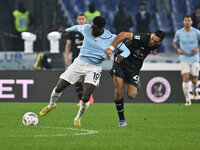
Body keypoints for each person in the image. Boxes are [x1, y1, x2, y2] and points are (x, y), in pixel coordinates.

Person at [39, 16, 130, 126]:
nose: (92, 30)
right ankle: (51, 105)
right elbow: (77, 27)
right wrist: (66, 30)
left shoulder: (112, 38)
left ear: (101, 28)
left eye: (95, 29)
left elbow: (127, 51)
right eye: (92, 27)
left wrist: (121, 56)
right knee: (59, 87)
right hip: (79, 63)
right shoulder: (87, 28)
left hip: (94, 68)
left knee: (86, 96)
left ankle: (78, 118)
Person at [104, 29, 165, 126]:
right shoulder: (142, 37)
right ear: (152, 35)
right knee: (119, 90)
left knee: (131, 95)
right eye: (152, 39)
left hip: (134, 68)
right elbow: (123, 34)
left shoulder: (157, 45)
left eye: (155, 41)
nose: (152, 42)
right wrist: (111, 48)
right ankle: (122, 120)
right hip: (121, 62)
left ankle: (135, 83)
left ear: (159, 42)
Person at [65, 14, 94, 106]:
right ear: (77, 20)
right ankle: (81, 100)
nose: (81, 20)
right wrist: (67, 56)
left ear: (85, 20)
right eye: (79, 19)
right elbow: (68, 45)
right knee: (77, 79)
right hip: (76, 58)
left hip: (88, 58)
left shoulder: (90, 31)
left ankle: (88, 96)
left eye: (82, 19)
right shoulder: (73, 31)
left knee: (88, 78)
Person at [172, 15, 200, 106]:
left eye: (189, 20)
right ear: (183, 22)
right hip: (184, 58)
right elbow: (174, 42)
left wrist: (198, 49)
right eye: (185, 20)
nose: (187, 22)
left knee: (195, 80)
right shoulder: (179, 32)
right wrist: (178, 49)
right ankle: (188, 100)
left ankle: (195, 90)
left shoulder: (196, 32)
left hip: (194, 58)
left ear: (191, 22)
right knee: (185, 78)